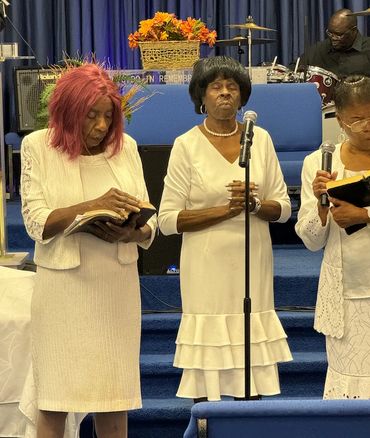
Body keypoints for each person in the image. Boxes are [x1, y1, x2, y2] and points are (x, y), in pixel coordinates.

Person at [20, 63, 156, 437]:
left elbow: (151, 219)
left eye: (107, 116)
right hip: (63, 292)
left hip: (115, 287)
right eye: (90, 116)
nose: (100, 126)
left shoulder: (125, 147)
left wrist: (132, 232)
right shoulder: (37, 147)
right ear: (67, 112)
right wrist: (90, 206)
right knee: (55, 400)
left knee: (114, 401)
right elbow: (35, 222)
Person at [158, 56, 292, 402]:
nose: (224, 93)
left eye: (232, 87)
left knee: (251, 370)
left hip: (251, 262)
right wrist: (225, 210)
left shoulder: (260, 139)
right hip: (205, 267)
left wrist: (256, 207)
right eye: (215, 87)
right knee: (209, 369)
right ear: (200, 97)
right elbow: (168, 220)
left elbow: (284, 208)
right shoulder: (186, 145)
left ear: (242, 97)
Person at [296, 75, 370, 399]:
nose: (366, 125)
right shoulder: (318, 163)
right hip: (344, 294)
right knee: (350, 383)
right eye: (357, 119)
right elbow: (311, 240)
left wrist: (364, 215)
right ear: (340, 120)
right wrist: (322, 208)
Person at [292, 9, 370, 78]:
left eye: (339, 35)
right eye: (330, 33)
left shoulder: (367, 47)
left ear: (354, 30)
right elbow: (293, 67)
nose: (333, 38)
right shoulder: (320, 49)